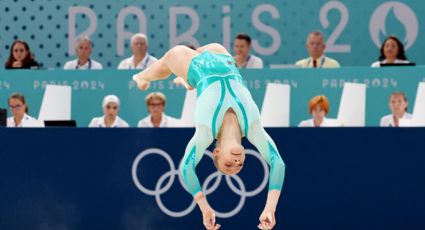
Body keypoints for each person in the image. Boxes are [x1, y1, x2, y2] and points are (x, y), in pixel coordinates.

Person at [133, 43, 285, 230]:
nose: (237, 162)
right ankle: (187, 81)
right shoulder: (253, 128)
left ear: (217, 152)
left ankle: (141, 76)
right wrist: (270, 208)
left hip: (196, 66)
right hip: (222, 55)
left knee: (169, 59)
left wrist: (204, 208)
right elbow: (278, 163)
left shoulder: (206, 131)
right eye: (240, 164)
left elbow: (186, 168)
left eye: (228, 164)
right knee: (191, 59)